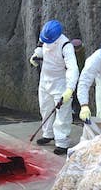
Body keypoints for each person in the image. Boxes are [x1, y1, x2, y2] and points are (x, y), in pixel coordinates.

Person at [29, 20, 79, 155]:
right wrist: (36, 55)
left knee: (62, 114)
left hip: (60, 83)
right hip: (45, 80)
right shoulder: (45, 36)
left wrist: (69, 89)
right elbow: (40, 46)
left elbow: (73, 69)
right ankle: (48, 134)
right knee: (45, 108)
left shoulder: (66, 46)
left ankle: (62, 142)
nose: (47, 42)